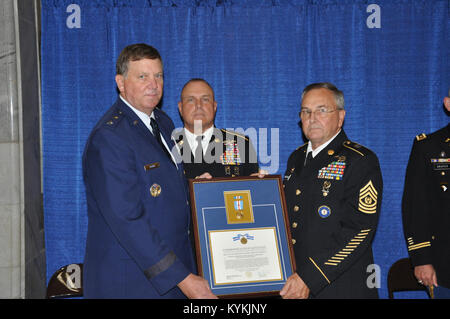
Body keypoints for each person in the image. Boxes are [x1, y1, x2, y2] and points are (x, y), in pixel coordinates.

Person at [82, 43, 216, 298]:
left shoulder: (162, 122)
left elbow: (160, 187)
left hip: (169, 276)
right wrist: (184, 278)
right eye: (142, 76)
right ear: (121, 83)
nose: (153, 84)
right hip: (133, 283)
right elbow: (127, 219)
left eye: (158, 76)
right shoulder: (110, 138)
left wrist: (195, 189)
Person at [280, 82, 383, 299]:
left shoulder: (360, 160)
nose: (312, 117)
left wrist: (311, 276)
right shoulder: (296, 158)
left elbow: (360, 231)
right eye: (306, 111)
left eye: (322, 110)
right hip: (295, 282)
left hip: (340, 285)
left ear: (341, 116)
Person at [402, 89, 450, 298]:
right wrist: (421, 258)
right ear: (448, 104)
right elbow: (416, 207)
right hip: (446, 267)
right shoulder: (428, 147)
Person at [175, 78, 260, 179]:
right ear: (180, 108)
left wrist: (260, 185)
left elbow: (253, 190)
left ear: (214, 106)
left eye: (205, 99)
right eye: (191, 100)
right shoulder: (167, 146)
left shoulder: (241, 143)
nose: (198, 105)